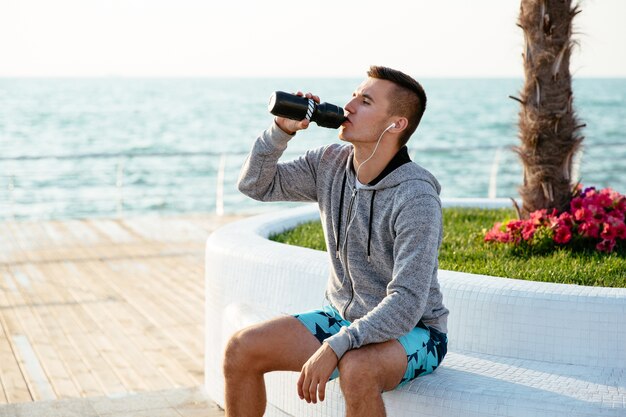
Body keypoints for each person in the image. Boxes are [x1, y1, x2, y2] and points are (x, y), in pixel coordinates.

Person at [225, 66, 449, 417]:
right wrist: (280, 131)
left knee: (357, 368)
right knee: (242, 348)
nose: (348, 106)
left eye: (365, 101)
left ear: (396, 124)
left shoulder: (416, 197)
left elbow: (406, 303)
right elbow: (255, 184)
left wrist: (337, 346)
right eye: (354, 94)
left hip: (415, 332)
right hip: (340, 318)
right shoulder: (329, 163)